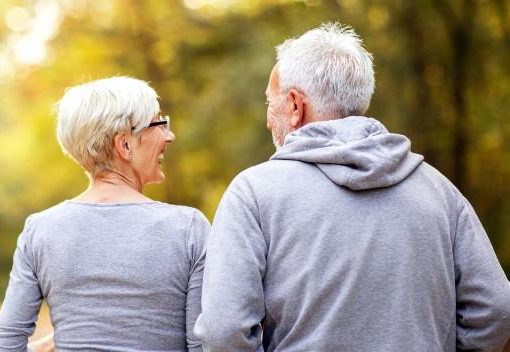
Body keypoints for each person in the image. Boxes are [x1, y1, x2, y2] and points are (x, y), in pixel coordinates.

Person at [194, 22, 510, 351]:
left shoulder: (253, 194)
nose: (267, 119)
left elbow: (224, 331)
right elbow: (496, 309)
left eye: (270, 104)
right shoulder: (440, 192)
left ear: (295, 106)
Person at [0, 76, 209, 352]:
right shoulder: (188, 228)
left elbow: (5, 348)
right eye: (158, 123)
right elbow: (202, 346)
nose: (169, 135)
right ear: (125, 145)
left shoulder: (41, 230)